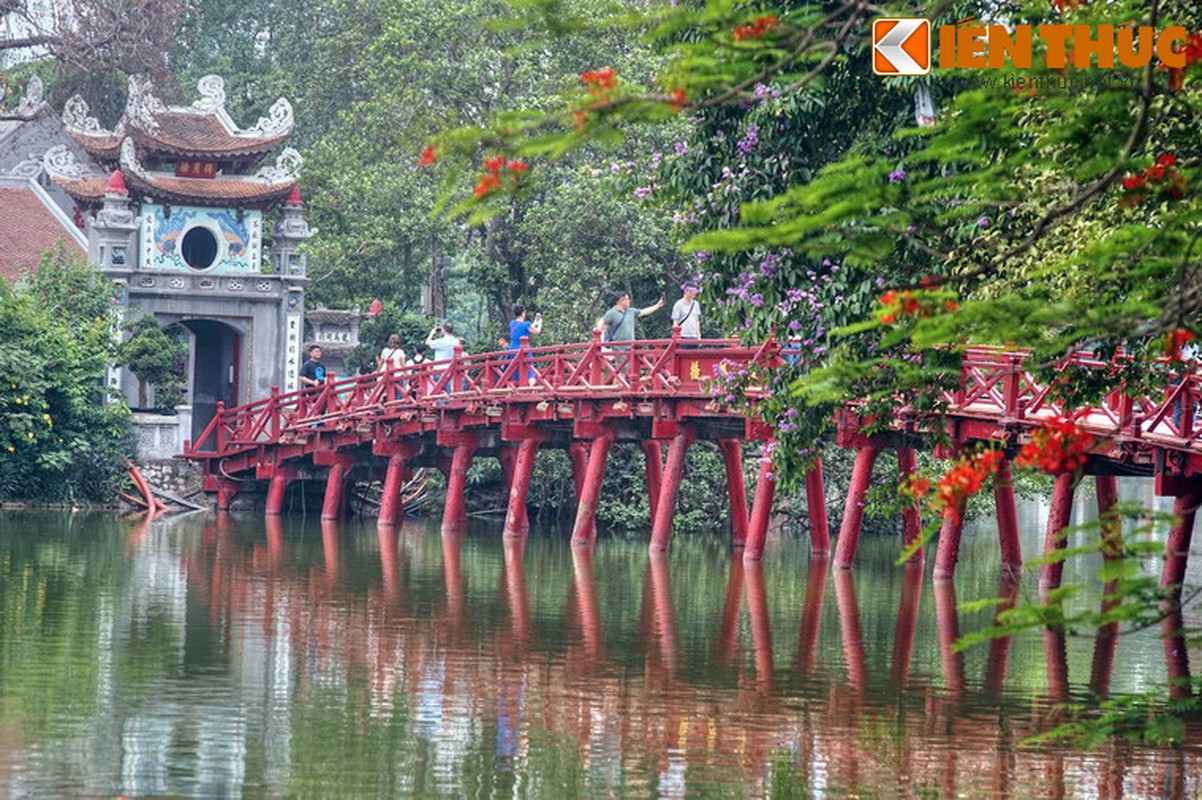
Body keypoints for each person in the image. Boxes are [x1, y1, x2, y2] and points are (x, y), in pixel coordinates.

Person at [508, 305, 543, 385]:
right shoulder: (526, 324)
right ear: (523, 313)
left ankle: (511, 391)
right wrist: (540, 323)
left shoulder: (512, 324)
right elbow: (537, 331)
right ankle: (532, 390)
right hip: (524, 351)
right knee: (530, 371)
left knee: (514, 372)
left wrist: (534, 323)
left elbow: (524, 327)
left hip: (513, 350)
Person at [426, 322, 465, 392]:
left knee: (439, 391)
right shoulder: (456, 341)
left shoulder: (441, 341)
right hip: (451, 368)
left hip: (439, 369)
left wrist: (431, 333)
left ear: (443, 330)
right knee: (448, 390)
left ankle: (443, 402)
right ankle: (449, 402)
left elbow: (427, 342)